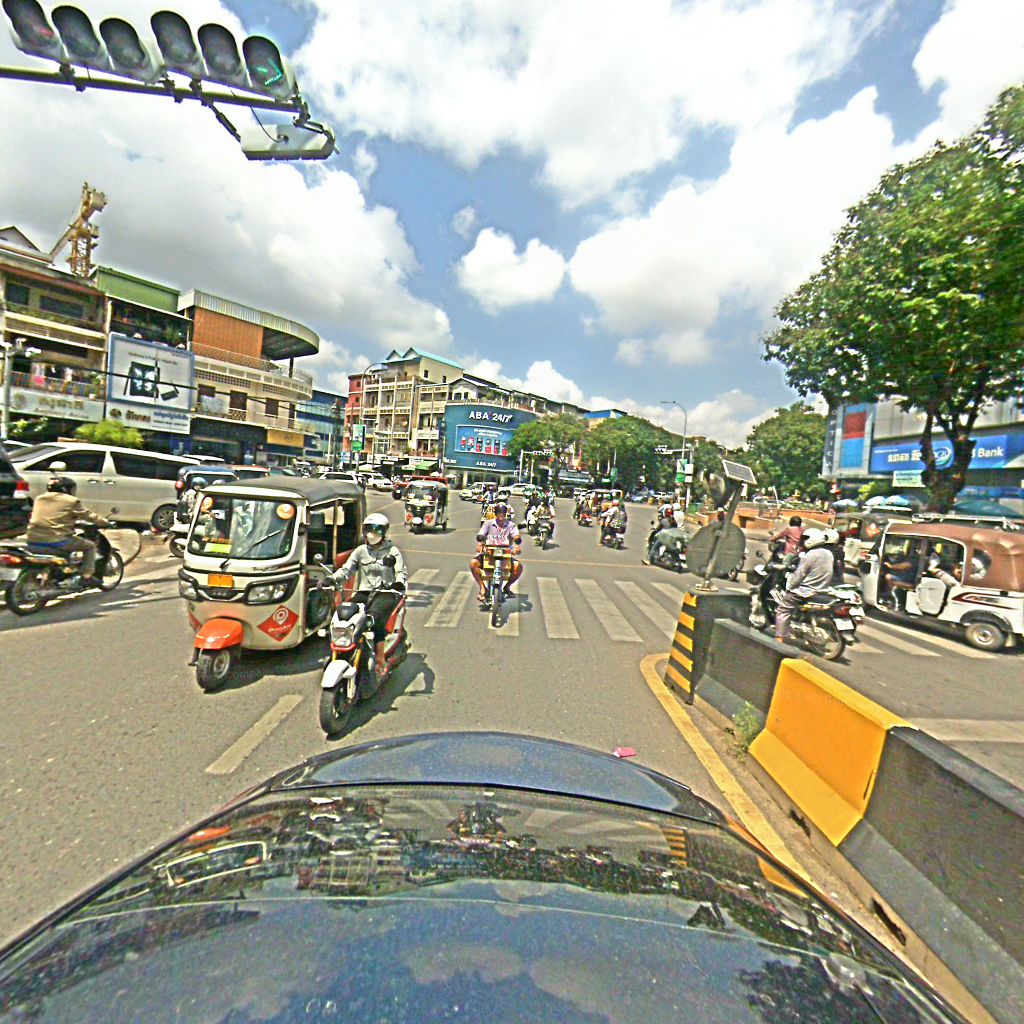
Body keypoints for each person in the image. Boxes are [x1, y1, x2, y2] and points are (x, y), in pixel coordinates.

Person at [333, 513, 408, 672]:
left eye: (376, 530)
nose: (372, 533)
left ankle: (380, 658)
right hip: (364, 591)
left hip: (386, 592)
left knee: (374, 618)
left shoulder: (393, 551)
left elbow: (401, 572)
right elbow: (346, 570)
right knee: (344, 616)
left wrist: (399, 583)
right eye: (368, 529)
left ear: (384, 532)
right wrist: (331, 579)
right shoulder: (360, 551)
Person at [26, 471, 112, 586]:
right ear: (66, 489)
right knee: (90, 546)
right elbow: (88, 515)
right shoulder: (70, 501)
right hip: (56, 540)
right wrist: (105, 522)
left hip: (32, 539)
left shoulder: (39, 499)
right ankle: (87, 576)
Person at [774, 528, 835, 642]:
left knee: (783, 609)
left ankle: (779, 638)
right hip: (822, 590)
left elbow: (800, 574)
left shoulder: (810, 555)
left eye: (805, 538)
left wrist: (790, 586)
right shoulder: (828, 553)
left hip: (805, 591)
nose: (803, 541)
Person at [471, 502, 523, 602]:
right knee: (473, 563)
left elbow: (516, 535)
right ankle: (482, 589)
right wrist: (480, 543)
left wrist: (517, 544)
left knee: (518, 567)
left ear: (505, 514)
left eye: (503, 513)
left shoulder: (511, 525)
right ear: (495, 513)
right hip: (489, 553)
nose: (501, 515)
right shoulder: (488, 523)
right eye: (499, 513)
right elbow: (481, 534)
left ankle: (507, 587)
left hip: (505, 554)